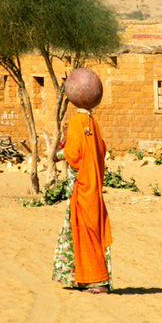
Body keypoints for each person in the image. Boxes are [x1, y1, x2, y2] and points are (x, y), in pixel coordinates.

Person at [51, 68, 112, 293]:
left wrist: (61, 146)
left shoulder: (77, 122)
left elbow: (73, 155)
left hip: (81, 188)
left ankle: (95, 280)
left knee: (82, 231)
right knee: (89, 231)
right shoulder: (92, 123)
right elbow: (97, 152)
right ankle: (86, 279)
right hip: (93, 187)